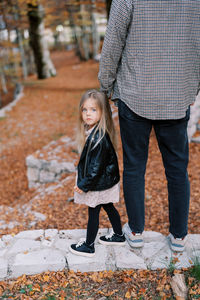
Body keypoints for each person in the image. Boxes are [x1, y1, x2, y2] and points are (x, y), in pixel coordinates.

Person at [98, 0, 200, 252]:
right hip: (177, 94)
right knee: (177, 170)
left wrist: (105, 83)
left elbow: (113, 43)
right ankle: (178, 236)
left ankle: (135, 231)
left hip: (135, 93)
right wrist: (192, 87)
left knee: (134, 166)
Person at [69, 89, 125, 257]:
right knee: (108, 206)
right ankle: (119, 235)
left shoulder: (98, 137)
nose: (88, 114)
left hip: (99, 182)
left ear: (103, 113)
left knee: (93, 210)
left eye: (93, 110)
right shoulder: (93, 132)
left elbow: (96, 167)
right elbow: (93, 162)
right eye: (85, 109)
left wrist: (84, 184)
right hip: (105, 180)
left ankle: (88, 246)